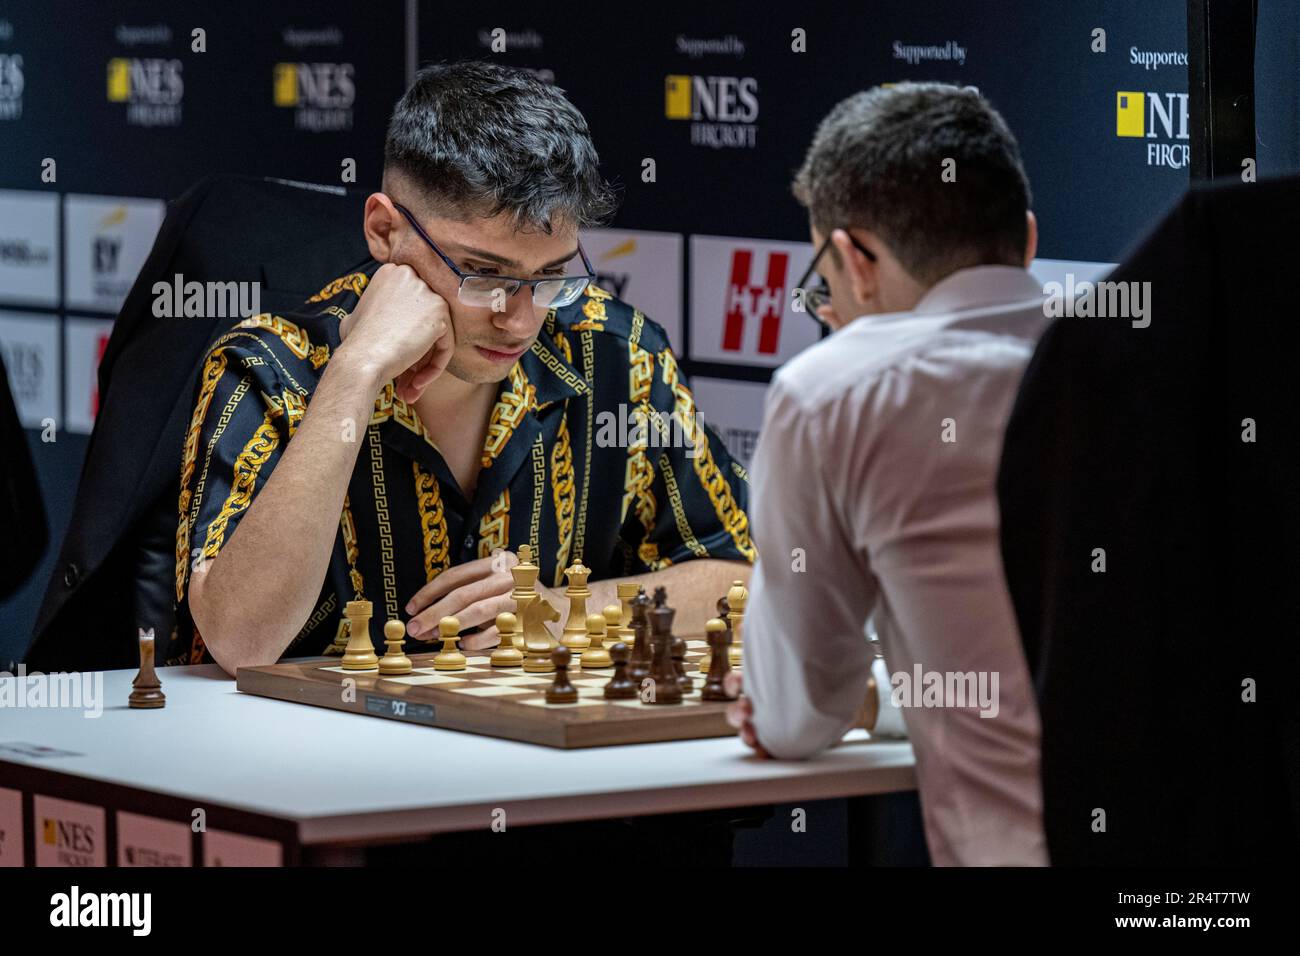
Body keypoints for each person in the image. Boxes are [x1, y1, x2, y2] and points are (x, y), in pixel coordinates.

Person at [174, 62, 752, 674]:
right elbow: (239, 642)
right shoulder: (270, 366)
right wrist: (356, 372)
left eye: (551, 277)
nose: (522, 321)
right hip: (314, 758)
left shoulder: (617, 352)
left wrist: (564, 612)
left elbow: (743, 581)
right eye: (487, 276)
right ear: (384, 230)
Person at [728, 82, 1049, 866]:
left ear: (855, 261)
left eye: (826, 284)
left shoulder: (837, 391)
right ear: (1029, 240)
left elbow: (796, 714)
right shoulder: (1166, 361)